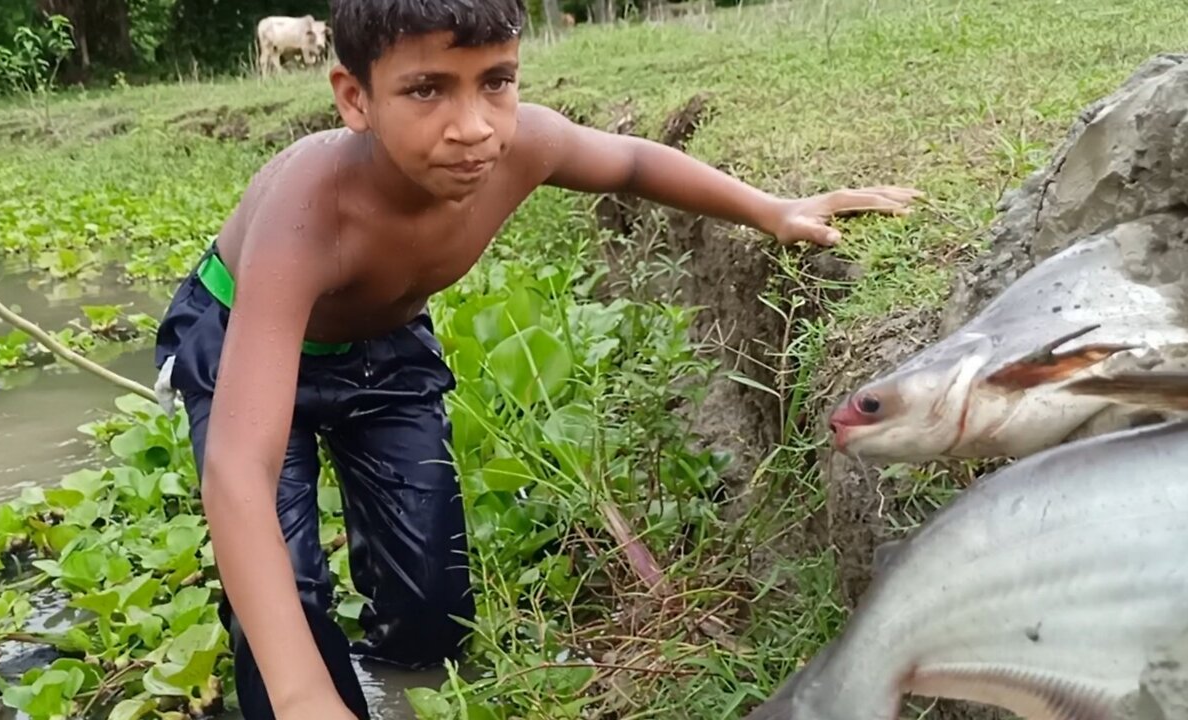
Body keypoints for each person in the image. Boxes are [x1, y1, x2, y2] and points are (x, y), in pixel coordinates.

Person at [151, 0, 921, 717]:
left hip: (383, 350)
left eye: (496, 82)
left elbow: (628, 164)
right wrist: (300, 696)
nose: (473, 127)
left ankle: (393, 677)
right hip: (244, 336)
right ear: (355, 98)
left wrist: (770, 209)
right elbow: (237, 471)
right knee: (283, 589)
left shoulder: (524, 148)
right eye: (426, 90)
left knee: (431, 604)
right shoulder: (308, 211)